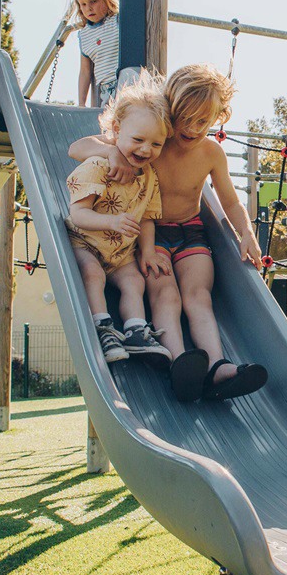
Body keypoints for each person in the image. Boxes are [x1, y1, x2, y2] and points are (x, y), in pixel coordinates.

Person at [68, 63, 268, 403]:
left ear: (219, 116)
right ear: (170, 108)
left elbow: (231, 202)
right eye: (184, 118)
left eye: (203, 120)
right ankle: (179, 362)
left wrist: (245, 233)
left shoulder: (211, 153)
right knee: (165, 295)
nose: (192, 127)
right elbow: (78, 148)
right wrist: (113, 151)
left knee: (198, 297)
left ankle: (217, 366)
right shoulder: (153, 140)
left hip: (192, 233)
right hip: (151, 234)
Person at [65, 72, 210, 399]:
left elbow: (147, 219)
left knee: (136, 282)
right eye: (138, 140)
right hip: (85, 243)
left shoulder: (149, 179)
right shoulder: (97, 165)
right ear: (116, 132)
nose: (146, 149)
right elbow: (77, 215)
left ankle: (135, 331)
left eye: (156, 144)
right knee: (90, 273)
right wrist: (113, 222)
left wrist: (147, 252)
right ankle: (103, 327)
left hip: (120, 255)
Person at [70, 0, 120, 108]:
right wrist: (81, 103)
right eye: (83, 4)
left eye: (93, 1)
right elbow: (85, 71)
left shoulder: (116, 21)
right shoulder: (84, 35)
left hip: (124, 82)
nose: (88, 8)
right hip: (106, 90)